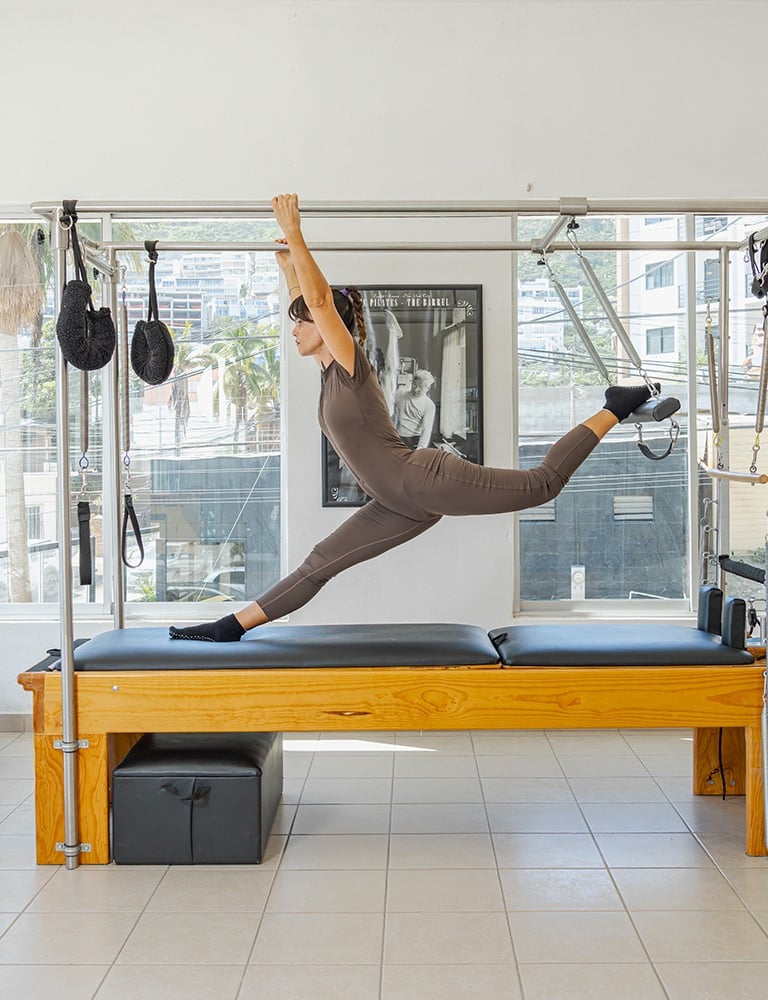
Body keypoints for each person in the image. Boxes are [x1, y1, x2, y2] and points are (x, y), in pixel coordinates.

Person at [170, 193, 659, 643]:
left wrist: (298, 236)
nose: (294, 329)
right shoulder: (326, 375)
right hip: (397, 502)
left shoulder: (351, 363)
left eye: (301, 322)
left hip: (421, 478)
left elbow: (319, 303)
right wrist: (287, 263)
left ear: (326, 326)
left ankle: (614, 404)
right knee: (320, 563)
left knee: (543, 484)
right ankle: (229, 627)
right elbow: (309, 298)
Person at [394, 369, 436, 449]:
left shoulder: (429, 405)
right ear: (411, 382)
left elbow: (426, 429)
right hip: (397, 437)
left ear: (428, 388)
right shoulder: (399, 394)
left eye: (420, 387)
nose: (416, 389)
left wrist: (420, 448)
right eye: (414, 385)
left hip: (415, 440)